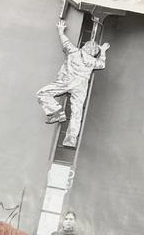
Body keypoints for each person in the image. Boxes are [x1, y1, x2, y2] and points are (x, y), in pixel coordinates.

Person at [36, 19, 109, 148]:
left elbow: (65, 41)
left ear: (84, 47)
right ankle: (70, 141)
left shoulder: (74, 52)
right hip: (81, 86)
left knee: (42, 93)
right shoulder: (93, 62)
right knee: (77, 112)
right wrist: (103, 51)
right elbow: (102, 64)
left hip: (66, 81)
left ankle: (57, 111)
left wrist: (60, 30)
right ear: (94, 53)